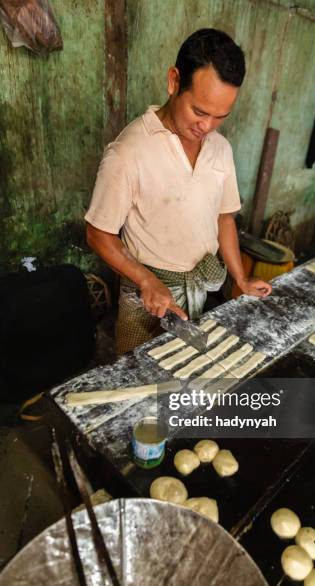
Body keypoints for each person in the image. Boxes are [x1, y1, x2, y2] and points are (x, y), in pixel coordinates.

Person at [85, 29, 272, 354]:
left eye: (220, 117)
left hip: (198, 289)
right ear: (174, 82)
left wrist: (240, 280)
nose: (207, 127)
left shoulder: (220, 149)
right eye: (199, 112)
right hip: (145, 298)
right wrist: (146, 280)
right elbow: (98, 233)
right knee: (139, 380)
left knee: (183, 380)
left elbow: (224, 219)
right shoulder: (129, 153)